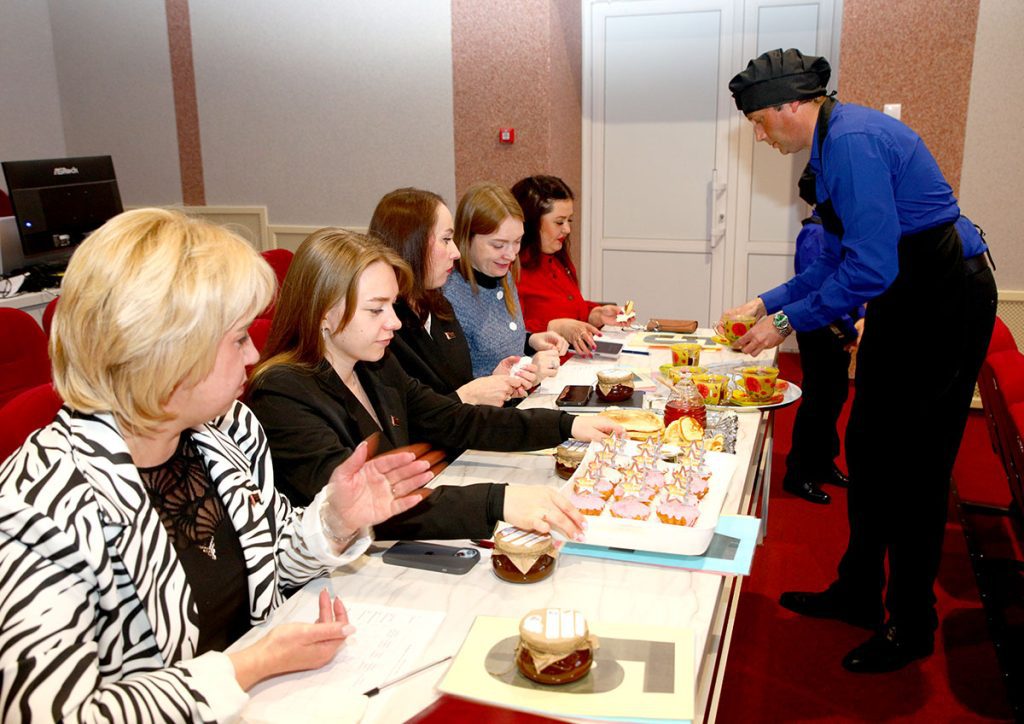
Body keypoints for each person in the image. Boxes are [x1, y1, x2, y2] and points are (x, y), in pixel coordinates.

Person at [0, 209, 436, 720]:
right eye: (236, 339)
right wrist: (248, 667)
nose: (254, 354)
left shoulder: (226, 434)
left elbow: (271, 566)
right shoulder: (36, 509)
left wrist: (334, 521)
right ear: (164, 352)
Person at [724, 48, 996, 673]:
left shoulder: (853, 142)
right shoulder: (828, 145)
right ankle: (857, 591)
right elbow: (834, 262)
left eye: (761, 121)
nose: (759, 136)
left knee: (915, 469)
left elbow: (871, 267)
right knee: (870, 448)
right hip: (906, 295)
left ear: (794, 104)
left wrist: (783, 324)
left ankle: (911, 624)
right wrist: (764, 302)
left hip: (945, 299)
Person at [247, 228, 622, 541]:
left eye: (392, 306)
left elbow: (459, 419)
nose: (394, 322)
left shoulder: (373, 366)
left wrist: (567, 424)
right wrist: (499, 501)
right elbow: (368, 506)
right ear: (323, 313)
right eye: (376, 309)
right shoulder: (283, 394)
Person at [367, 187, 539, 406]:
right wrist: (471, 395)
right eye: (446, 239)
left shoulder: (438, 305)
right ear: (413, 244)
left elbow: (458, 385)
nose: (456, 252)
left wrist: (494, 381)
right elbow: (412, 417)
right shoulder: (389, 328)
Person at [443, 181, 568, 378]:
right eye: (498, 245)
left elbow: (498, 346)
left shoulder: (502, 274)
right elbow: (462, 387)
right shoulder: (450, 295)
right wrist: (526, 373)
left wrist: (531, 341)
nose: (510, 255)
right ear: (467, 238)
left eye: (517, 242)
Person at [780, 211, 861, 505]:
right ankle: (798, 473)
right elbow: (817, 289)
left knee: (835, 397)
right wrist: (849, 328)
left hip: (839, 328)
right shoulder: (814, 234)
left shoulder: (837, 228)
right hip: (819, 328)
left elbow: (852, 281)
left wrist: (861, 318)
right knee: (817, 401)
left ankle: (824, 462)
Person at [511, 175, 623, 356]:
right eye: (559, 222)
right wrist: (555, 327)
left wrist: (594, 314)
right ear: (530, 222)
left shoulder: (557, 258)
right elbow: (510, 332)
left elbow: (567, 308)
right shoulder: (511, 269)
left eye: (569, 221)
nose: (567, 229)